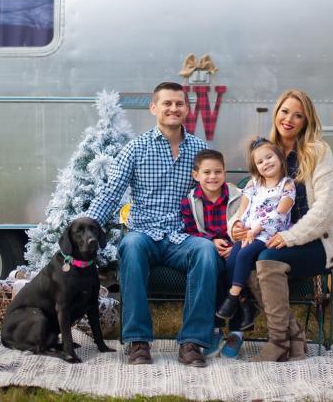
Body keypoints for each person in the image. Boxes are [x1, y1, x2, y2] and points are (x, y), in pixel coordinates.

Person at [86, 82, 219, 368]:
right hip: (143, 233)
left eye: (179, 104)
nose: (174, 108)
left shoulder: (199, 149)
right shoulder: (136, 148)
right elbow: (111, 192)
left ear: (187, 109)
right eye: (167, 103)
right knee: (130, 245)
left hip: (182, 237)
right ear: (154, 108)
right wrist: (85, 227)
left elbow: (214, 193)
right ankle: (138, 341)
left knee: (206, 251)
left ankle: (193, 342)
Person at [229, 89, 333, 362]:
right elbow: (249, 197)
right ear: (276, 112)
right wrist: (235, 223)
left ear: (307, 121)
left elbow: (327, 207)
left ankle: (278, 342)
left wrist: (290, 236)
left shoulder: (318, 152)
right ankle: (292, 338)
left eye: (298, 115)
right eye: (284, 112)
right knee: (240, 256)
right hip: (271, 237)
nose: (289, 119)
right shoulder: (266, 150)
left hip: (313, 242)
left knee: (265, 258)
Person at [178, 148, 254, 357]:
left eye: (218, 172)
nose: (213, 177)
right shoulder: (190, 202)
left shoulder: (239, 198)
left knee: (233, 267)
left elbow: (249, 223)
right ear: (196, 175)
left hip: (237, 247)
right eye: (207, 172)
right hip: (210, 249)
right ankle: (215, 328)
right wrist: (211, 241)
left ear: (225, 172)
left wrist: (233, 245)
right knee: (213, 268)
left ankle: (238, 331)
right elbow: (189, 230)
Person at [216, 139, 294, 325]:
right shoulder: (253, 184)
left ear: (279, 158)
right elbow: (242, 211)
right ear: (255, 167)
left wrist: (257, 228)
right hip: (249, 233)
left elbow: (281, 212)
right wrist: (238, 227)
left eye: (269, 157)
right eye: (260, 161)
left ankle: (233, 297)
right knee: (231, 261)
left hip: (270, 234)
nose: (265, 162)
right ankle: (245, 304)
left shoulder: (287, 184)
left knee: (244, 255)